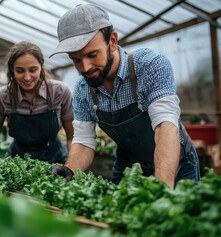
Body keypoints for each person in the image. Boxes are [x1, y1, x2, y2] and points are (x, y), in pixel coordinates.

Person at [49, 4, 200, 189]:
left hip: (177, 167)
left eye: (92, 55)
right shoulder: (83, 89)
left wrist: (162, 189)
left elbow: (165, 127)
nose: (85, 67)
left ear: (112, 41)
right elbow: (84, 141)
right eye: (76, 60)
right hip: (130, 168)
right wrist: (70, 168)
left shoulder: (149, 66)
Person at [0, 41, 74, 163]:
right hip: (17, 161)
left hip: (55, 159)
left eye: (33, 70)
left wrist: (71, 167)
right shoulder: (2, 97)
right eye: (20, 71)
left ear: (41, 67)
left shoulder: (60, 92)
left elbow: (71, 137)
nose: (27, 77)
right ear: (12, 71)